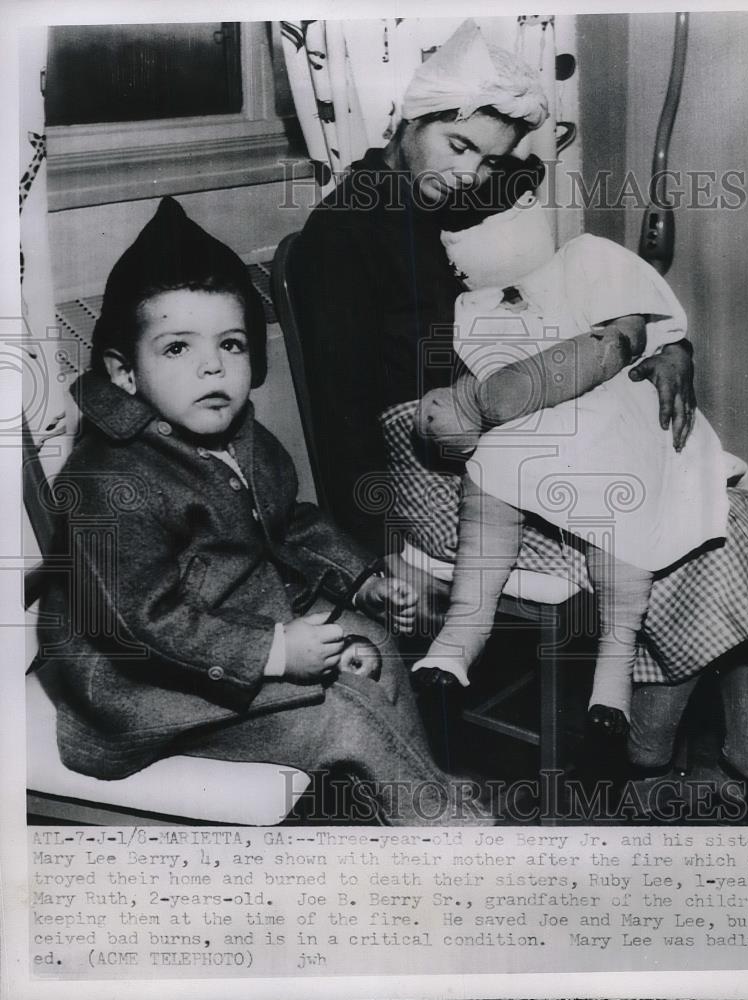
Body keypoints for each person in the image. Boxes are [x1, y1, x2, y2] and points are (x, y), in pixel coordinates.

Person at [291, 19, 748, 817]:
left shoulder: (437, 201)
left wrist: (663, 344)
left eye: (488, 160)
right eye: (457, 146)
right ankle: (650, 760)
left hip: (520, 421)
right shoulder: (341, 237)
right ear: (408, 120)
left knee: (731, 509)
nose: (470, 176)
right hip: (441, 464)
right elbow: (349, 418)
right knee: (702, 525)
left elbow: (549, 242)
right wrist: (369, 553)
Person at [36, 196, 491, 826]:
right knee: (345, 717)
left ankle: (398, 805)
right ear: (124, 372)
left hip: (237, 626)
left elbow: (290, 521)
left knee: (378, 645)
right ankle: (447, 832)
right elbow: (139, 625)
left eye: (231, 343)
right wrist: (276, 653)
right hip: (140, 688)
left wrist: (361, 581)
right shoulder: (107, 479)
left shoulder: (243, 437)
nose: (211, 365)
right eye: (176, 349)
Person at [412, 196, 732, 741]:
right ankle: (460, 635)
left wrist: (669, 349)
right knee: (491, 474)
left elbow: (624, 336)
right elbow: (490, 391)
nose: (457, 258)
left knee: (623, 496)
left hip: (619, 406)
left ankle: (614, 668)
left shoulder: (588, 256)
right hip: (539, 422)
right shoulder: (474, 305)